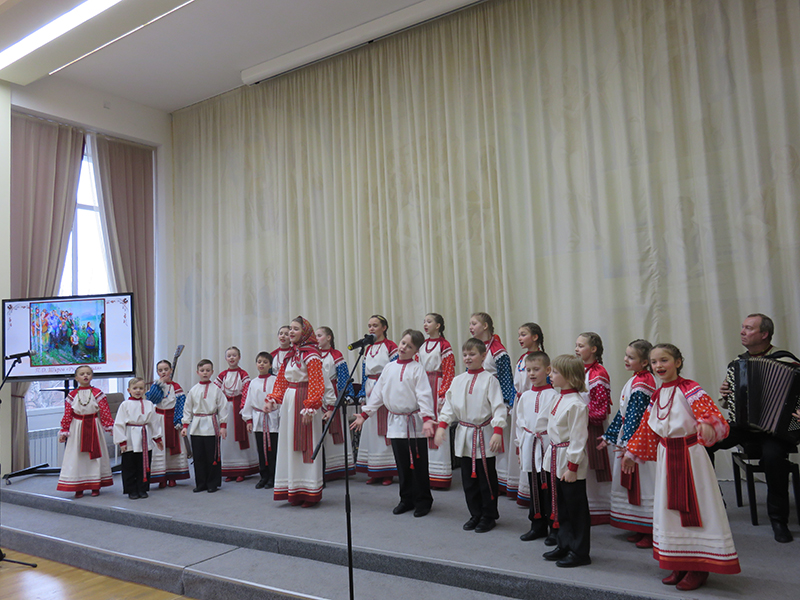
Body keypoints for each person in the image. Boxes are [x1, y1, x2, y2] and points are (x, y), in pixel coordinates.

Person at [624, 344, 740, 591]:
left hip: (689, 457)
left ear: (677, 362)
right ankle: (678, 560)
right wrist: (632, 453)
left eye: (664, 360)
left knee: (696, 509)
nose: (658, 366)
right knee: (670, 511)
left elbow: (713, 416)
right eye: (654, 362)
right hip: (667, 456)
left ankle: (698, 566)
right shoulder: (657, 395)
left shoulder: (690, 389)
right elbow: (647, 427)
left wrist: (708, 425)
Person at [709, 313, 798, 543]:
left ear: (764, 334)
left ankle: (778, 520)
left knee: (774, 458)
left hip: (776, 431)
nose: (742, 332)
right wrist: (726, 395)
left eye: (749, 328)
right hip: (744, 426)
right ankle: (713, 502)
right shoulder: (737, 364)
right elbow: (728, 402)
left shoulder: (788, 362)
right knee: (705, 442)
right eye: (743, 327)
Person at [352, 329, 436, 517]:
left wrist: (427, 419)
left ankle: (423, 500)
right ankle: (406, 499)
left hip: (413, 422)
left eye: (409, 346)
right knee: (402, 464)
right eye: (403, 343)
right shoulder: (389, 368)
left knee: (419, 464)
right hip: (396, 422)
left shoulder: (417, 369)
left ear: (416, 351)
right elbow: (378, 394)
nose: (403, 347)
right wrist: (364, 415)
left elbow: (424, 395)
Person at [436, 338, 506, 533]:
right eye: (465, 354)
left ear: (483, 356)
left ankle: (489, 515)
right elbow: (449, 406)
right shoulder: (458, 381)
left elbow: (498, 407)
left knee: (486, 479)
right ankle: (475, 513)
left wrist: (498, 431)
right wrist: (442, 426)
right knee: (468, 479)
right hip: (465, 435)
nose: (468, 358)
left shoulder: (490, 380)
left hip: (484, 433)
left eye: (472, 354)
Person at [600, 340, 656, 547]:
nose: (626, 359)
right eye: (626, 355)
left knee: (645, 484)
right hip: (630, 435)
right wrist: (610, 436)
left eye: (631, 357)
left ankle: (650, 529)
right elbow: (623, 413)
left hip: (640, 439)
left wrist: (629, 445)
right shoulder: (635, 379)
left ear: (644, 362)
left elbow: (636, 416)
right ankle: (639, 525)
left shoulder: (643, 383)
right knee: (635, 483)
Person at [537, 355, 592, 568]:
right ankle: (564, 543)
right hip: (555, 456)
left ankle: (580, 551)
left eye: (555, 372)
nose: (550, 375)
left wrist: (572, 467)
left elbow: (578, 439)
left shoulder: (577, 404)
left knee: (575, 508)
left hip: (569, 461)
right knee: (561, 505)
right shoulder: (558, 397)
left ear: (569, 376)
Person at [268, 316, 326, 507]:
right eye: (290, 329)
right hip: (290, 402)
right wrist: (274, 399)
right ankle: (294, 489)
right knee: (289, 444)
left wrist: (310, 407)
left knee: (306, 445)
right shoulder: (290, 355)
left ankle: (309, 491)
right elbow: (281, 381)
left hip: (304, 401)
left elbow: (317, 382)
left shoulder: (312, 355)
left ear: (305, 332)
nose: (291, 332)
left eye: (295, 329)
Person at [469, 312, 516, 497]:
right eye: (470, 324)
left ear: (485, 326)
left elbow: (505, 378)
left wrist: (506, 403)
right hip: (479, 400)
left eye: (474, 323)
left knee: (497, 440)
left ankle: (501, 480)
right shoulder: (475, 348)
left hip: (493, 399)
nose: (471, 327)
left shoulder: (498, 350)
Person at [516, 351, 559, 542]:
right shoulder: (525, 396)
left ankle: (555, 527)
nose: (531, 374)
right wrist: (520, 447)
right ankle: (537, 524)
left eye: (536, 369)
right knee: (534, 486)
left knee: (550, 488)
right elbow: (520, 424)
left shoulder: (554, 395)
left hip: (547, 446)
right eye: (528, 370)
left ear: (548, 370)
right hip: (530, 446)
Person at [57, 365, 114, 497]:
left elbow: (105, 411)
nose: (85, 376)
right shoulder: (72, 395)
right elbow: (67, 414)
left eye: (88, 373)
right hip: (77, 428)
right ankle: (79, 486)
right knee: (77, 457)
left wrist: (109, 426)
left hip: (94, 426)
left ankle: (95, 484)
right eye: (82, 374)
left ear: (92, 376)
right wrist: (64, 429)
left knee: (94, 457)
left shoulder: (98, 393)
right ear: (76, 378)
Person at [355, 315, 398, 484]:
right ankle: (374, 469)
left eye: (375, 325)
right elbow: (364, 371)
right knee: (372, 429)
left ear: (384, 327)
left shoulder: (391, 346)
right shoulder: (368, 349)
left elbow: (394, 369)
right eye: (369, 325)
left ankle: (387, 470)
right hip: (370, 387)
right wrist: (363, 394)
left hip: (384, 386)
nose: (371, 328)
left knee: (384, 429)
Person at [575, 332, 612, 524]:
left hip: (592, 426)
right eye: (576, 345)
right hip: (579, 424)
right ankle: (586, 508)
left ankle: (600, 509)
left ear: (593, 349)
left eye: (581, 346)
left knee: (592, 466)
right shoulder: (579, 370)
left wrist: (580, 416)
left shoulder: (598, 373)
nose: (576, 349)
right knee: (583, 466)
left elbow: (600, 408)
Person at [419, 313, 455, 490]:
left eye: (429, 321)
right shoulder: (422, 345)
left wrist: (443, 394)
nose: (425, 324)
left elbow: (449, 370)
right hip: (424, 386)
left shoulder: (444, 345)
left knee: (439, 425)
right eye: (424, 322)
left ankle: (440, 476)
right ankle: (426, 474)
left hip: (437, 386)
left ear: (438, 325)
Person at [182, 359, 228, 493]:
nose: (205, 373)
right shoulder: (193, 390)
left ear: (212, 372)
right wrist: (185, 426)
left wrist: (223, 426)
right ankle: (201, 483)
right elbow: (187, 409)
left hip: (211, 425)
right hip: (196, 426)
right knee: (198, 456)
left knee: (212, 456)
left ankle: (213, 483)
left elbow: (223, 407)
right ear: (197, 372)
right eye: (202, 370)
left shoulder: (217, 390)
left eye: (208, 370)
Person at [114, 377, 164, 500]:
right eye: (135, 388)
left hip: (144, 437)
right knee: (129, 465)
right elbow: (119, 423)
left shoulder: (149, 404)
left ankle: (142, 488)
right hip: (130, 437)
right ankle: (131, 489)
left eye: (141, 388)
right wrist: (122, 442)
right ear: (129, 390)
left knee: (144, 464)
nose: (138, 391)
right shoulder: (125, 405)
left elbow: (154, 422)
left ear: (145, 390)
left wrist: (157, 438)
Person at [513, 323, 546, 507]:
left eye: (523, 334)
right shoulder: (521, 359)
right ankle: (526, 491)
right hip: (522, 402)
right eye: (519, 334)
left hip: (534, 404)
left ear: (535, 337)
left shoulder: (541, 359)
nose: (520, 338)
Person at [317, 327, 355, 481]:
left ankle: (337, 467)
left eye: (319, 335)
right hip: (317, 395)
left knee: (334, 430)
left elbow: (343, 377)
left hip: (332, 394)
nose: (317, 338)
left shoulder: (336, 355)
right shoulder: (313, 356)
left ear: (329, 337)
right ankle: (321, 467)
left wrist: (344, 396)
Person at [215, 346, 259, 482]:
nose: (231, 358)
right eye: (229, 356)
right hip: (226, 408)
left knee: (240, 438)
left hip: (239, 408)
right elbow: (215, 391)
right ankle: (230, 470)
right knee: (227, 439)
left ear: (239, 357)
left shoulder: (243, 374)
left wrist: (243, 407)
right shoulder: (222, 375)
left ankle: (242, 470)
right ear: (225, 358)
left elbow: (246, 390)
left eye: (234, 355)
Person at [146, 359, 191, 488]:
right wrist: (158, 385)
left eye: (166, 369)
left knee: (173, 448)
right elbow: (151, 400)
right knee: (159, 448)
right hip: (159, 419)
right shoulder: (156, 386)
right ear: (157, 372)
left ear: (171, 370)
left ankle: (173, 476)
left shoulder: (176, 387)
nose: (163, 372)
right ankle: (161, 477)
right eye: (160, 370)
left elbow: (181, 404)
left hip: (172, 420)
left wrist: (179, 420)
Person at [242, 352, 280, 489]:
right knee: (261, 449)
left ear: (270, 365)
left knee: (272, 449)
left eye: (265, 362)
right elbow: (249, 401)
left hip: (272, 418)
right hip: (258, 418)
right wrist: (248, 420)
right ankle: (263, 476)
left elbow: (280, 398)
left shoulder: (275, 380)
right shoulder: (253, 382)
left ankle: (273, 476)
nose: (262, 364)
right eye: (259, 362)